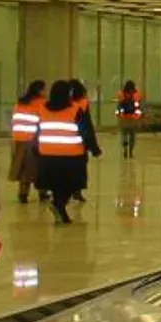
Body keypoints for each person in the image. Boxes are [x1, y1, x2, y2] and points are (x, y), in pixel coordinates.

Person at [34, 80, 92, 224]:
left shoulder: (42, 109)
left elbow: (37, 131)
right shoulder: (75, 109)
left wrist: (36, 149)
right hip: (71, 155)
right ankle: (59, 206)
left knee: (56, 184)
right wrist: (93, 147)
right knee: (71, 184)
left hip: (47, 154)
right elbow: (85, 130)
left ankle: (59, 208)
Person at [9, 80, 45, 204]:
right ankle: (42, 192)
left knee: (23, 168)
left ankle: (22, 194)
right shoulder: (41, 103)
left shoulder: (20, 103)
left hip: (18, 139)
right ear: (39, 90)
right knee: (37, 168)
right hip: (33, 140)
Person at [71, 80, 102, 202]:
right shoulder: (82, 104)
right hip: (78, 144)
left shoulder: (59, 104)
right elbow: (86, 126)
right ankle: (76, 190)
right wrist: (93, 147)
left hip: (58, 144)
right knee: (79, 168)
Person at [114, 80, 142, 157]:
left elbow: (119, 106)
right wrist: (138, 116)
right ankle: (131, 150)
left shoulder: (122, 94)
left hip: (124, 118)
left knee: (124, 134)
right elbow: (138, 106)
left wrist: (120, 114)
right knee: (132, 135)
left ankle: (125, 148)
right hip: (133, 118)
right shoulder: (136, 95)